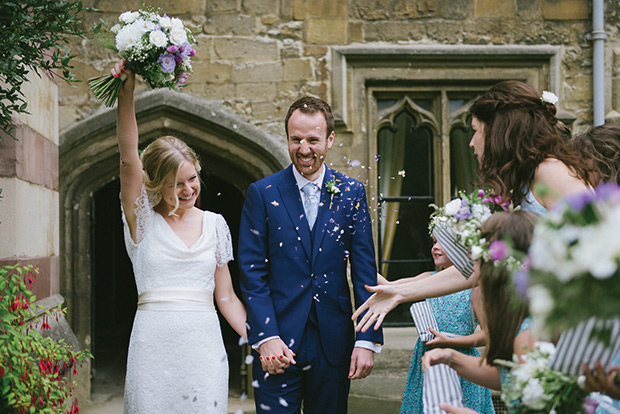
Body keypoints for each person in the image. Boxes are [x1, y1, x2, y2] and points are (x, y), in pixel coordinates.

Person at [352, 80, 593, 333]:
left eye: (476, 131)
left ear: (499, 133)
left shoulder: (551, 172)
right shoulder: (523, 184)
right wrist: (399, 293)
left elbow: (599, 245)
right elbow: (477, 269)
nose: (471, 143)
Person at [113, 61, 247, 413]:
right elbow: (129, 159)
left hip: (203, 347)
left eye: (193, 178)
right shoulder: (141, 221)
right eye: (176, 183)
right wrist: (126, 96)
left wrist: (259, 336)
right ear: (156, 184)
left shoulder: (216, 225)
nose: (188, 189)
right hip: (152, 346)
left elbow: (227, 295)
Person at [238, 96, 383, 413]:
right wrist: (266, 337)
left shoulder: (351, 193)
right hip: (278, 341)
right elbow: (252, 274)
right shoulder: (262, 194)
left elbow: (364, 272)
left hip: (334, 340)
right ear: (287, 138)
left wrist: (366, 340)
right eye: (296, 139)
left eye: (313, 140)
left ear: (330, 139)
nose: (304, 149)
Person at [422, 211, 538, 404]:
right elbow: (508, 378)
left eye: (474, 261)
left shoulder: (528, 333)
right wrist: (451, 357)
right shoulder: (517, 314)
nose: (469, 273)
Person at [400, 236, 494, 414]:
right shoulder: (429, 278)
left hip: (462, 363)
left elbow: (488, 335)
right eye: (433, 242)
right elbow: (389, 286)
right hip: (428, 358)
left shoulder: (475, 286)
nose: (435, 247)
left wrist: (451, 340)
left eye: (442, 242)